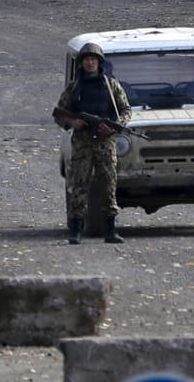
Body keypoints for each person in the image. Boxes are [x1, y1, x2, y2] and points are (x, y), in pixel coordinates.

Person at [52, 42, 133, 244]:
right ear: (82, 63)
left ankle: (110, 230)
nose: (90, 63)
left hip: (106, 143)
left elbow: (126, 111)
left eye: (93, 60)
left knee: (108, 185)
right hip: (82, 142)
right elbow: (59, 113)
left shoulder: (111, 85)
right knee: (79, 184)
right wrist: (73, 121)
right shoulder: (75, 87)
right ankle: (76, 229)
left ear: (99, 63)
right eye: (87, 60)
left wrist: (114, 127)